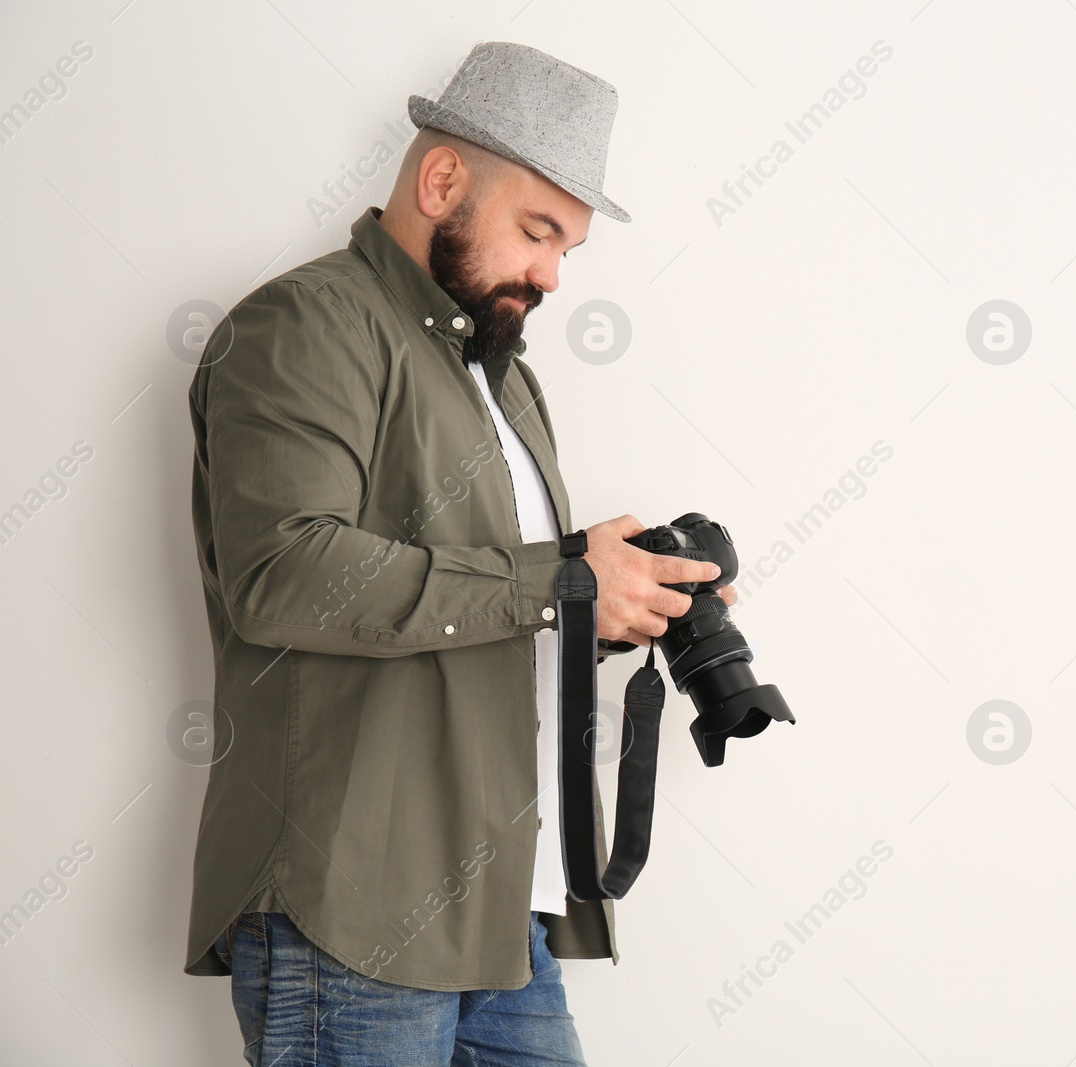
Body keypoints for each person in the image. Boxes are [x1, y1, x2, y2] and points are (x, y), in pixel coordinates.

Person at [182, 41, 731, 1064]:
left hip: (500, 913)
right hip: (352, 906)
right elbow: (285, 575)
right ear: (442, 181)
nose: (552, 275)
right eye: (538, 232)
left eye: (568, 248)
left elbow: (487, 609)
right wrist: (560, 577)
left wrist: (627, 599)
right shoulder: (304, 326)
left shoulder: (504, 379)